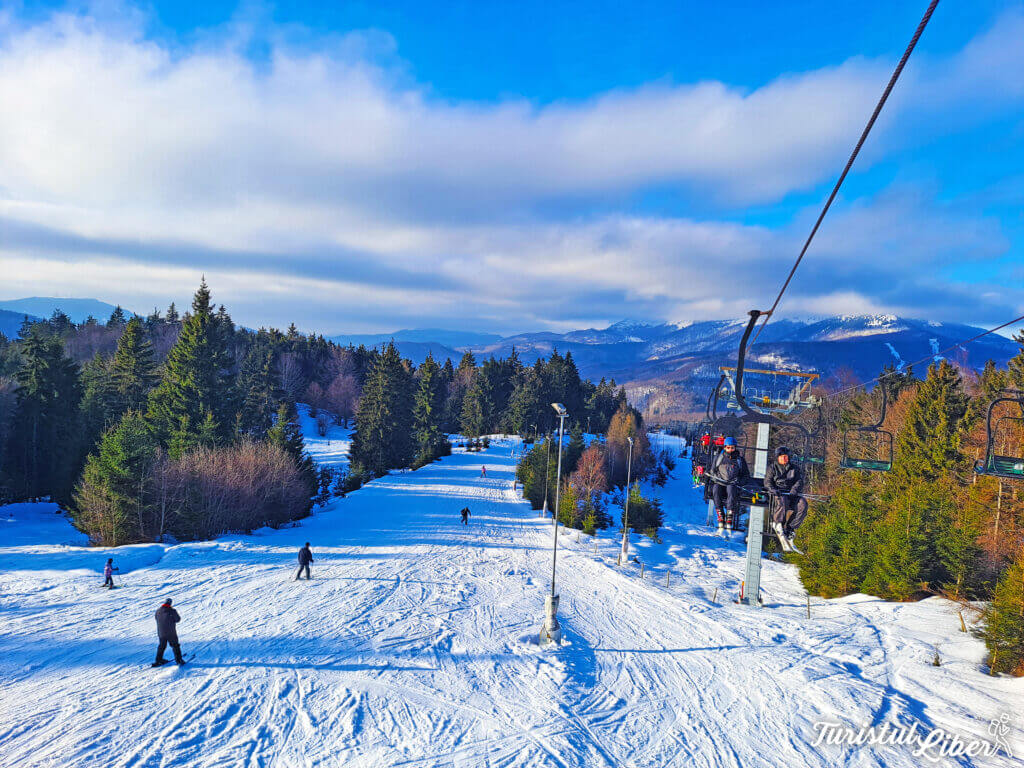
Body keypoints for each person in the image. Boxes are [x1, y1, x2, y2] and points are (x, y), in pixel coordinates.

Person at [763, 446, 808, 552]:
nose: (785, 459)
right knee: (782, 500)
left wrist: (794, 490)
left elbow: (799, 481)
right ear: (778, 457)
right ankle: (777, 523)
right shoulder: (772, 468)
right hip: (778, 494)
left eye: (786, 457)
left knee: (803, 504)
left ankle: (790, 528)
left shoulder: (794, 468)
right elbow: (767, 482)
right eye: (782, 457)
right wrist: (773, 490)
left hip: (791, 494)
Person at [709, 436, 749, 537]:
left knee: (731, 491)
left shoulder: (740, 460)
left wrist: (739, 481)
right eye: (728, 447)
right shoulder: (719, 457)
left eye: (732, 448)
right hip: (721, 482)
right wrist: (716, 478)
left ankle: (729, 516)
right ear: (724, 447)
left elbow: (745, 475)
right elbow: (713, 471)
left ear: (735, 448)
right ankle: (720, 515)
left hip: (732, 483)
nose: (730, 450)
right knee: (716, 490)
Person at [152, 598, 185, 666]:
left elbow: (156, 618)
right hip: (171, 632)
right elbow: (178, 619)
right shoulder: (172, 611)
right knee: (175, 646)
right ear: (170, 603)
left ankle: (158, 660)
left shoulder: (158, 611)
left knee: (162, 646)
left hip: (161, 633)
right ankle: (179, 660)